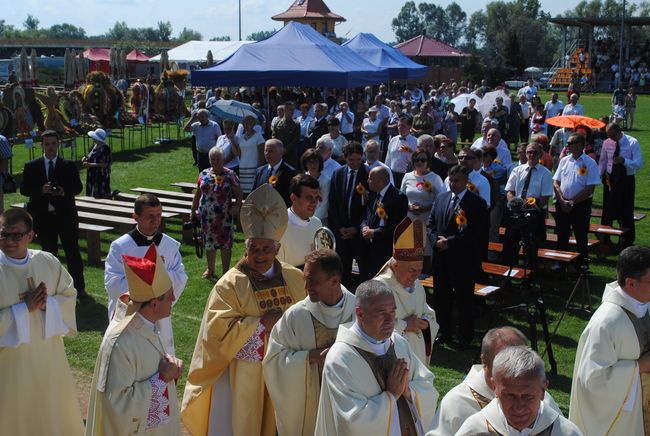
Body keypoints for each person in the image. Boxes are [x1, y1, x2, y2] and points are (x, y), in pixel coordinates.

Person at [181, 184, 305, 436]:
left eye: (266, 249)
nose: (260, 255)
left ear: (277, 249)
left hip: (284, 369)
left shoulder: (295, 278)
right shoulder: (229, 284)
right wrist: (260, 325)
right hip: (243, 375)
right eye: (254, 249)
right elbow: (216, 332)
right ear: (245, 248)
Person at [314, 280, 438, 435]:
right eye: (381, 313)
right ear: (360, 313)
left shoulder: (398, 342)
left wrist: (408, 391)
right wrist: (391, 396)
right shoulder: (341, 358)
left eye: (393, 312)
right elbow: (351, 421)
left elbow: (428, 385)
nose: (390, 320)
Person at [0, 208, 84, 435]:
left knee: (50, 413)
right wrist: (23, 309)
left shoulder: (47, 261)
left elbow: (69, 295)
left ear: (30, 235)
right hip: (9, 364)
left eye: (16, 235)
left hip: (47, 356)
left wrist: (49, 304)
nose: (9, 241)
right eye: (4, 234)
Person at [86, 244, 182, 435]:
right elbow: (117, 404)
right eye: (170, 296)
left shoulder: (146, 323)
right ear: (154, 303)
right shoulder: (122, 342)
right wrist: (163, 378)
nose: (173, 299)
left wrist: (169, 371)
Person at [263, 249, 355, 436]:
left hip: (351, 400)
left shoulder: (358, 311)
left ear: (334, 281)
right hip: (312, 403)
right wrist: (311, 358)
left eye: (313, 281)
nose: (306, 286)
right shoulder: (296, 316)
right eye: (305, 279)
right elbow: (273, 360)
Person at [570, 246, 650, 434]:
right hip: (623, 419)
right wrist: (640, 367)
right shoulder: (606, 322)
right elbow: (592, 382)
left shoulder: (643, 304)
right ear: (630, 283)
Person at [431, 326, 560, 435]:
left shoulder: (541, 399)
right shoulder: (456, 403)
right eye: (504, 363)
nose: (515, 372)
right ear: (484, 361)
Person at [104, 193, 187, 355]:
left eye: (159, 215)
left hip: (159, 317)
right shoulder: (120, 247)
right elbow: (113, 285)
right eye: (150, 216)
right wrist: (149, 274)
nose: (156, 221)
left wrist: (158, 273)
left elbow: (180, 278)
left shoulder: (169, 246)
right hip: (130, 318)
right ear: (136, 217)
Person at [20, 129, 88, 300]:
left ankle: (79, 288)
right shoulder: (32, 166)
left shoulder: (68, 165)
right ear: (41, 145)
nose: (50, 147)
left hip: (66, 216)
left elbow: (78, 188)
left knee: (72, 252)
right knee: (49, 254)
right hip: (44, 218)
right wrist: (40, 190)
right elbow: (24, 189)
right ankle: (50, 289)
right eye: (47, 144)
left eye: (53, 144)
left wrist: (64, 191)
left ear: (58, 145)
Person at [458, 346, 581, 435]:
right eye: (510, 396)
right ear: (495, 387)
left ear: (543, 390)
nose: (519, 407)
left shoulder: (566, 433)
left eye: (528, 397)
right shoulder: (474, 430)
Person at [428, 165, 488, 346]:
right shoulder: (441, 198)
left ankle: (464, 336)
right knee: (441, 297)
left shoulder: (476, 203)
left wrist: (450, 242)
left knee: (463, 299)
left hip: (463, 259)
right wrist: (435, 240)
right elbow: (431, 223)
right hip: (441, 257)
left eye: (457, 181)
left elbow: (476, 233)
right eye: (451, 180)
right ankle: (444, 332)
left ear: (466, 181)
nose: (453, 184)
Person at [374, 217, 438, 364]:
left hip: (416, 360)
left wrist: (426, 322)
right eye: (411, 270)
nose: (416, 275)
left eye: (419, 270)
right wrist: (404, 325)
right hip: (393, 366)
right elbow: (370, 327)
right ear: (395, 266)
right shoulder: (379, 290)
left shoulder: (418, 287)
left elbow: (429, 314)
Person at [191, 147, 243, 279]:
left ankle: (226, 271)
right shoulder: (203, 174)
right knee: (209, 242)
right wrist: (193, 210)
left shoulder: (230, 175)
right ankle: (210, 269)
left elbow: (239, 193)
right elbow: (197, 194)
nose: (215, 161)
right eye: (212, 159)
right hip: (206, 216)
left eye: (218, 159)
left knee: (225, 244)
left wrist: (237, 206)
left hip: (224, 215)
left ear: (223, 160)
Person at [502, 142, 553, 267]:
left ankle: (530, 275)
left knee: (531, 247)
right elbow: (509, 191)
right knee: (509, 244)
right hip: (516, 210)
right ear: (525, 153)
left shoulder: (545, 173)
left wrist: (533, 208)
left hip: (534, 213)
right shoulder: (517, 170)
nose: (531, 155)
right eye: (529, 152)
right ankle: (506, 274)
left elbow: (545, 197)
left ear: (540, 154)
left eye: (535, 152)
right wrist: (514, 203)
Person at [553, 133, 600, 268]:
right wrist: (562, 200)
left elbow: (590, 188)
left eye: (570, 143)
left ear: (580, 145)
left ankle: (581, 265)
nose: (567, 145)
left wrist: (571, 202)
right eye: (567, 143)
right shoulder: (564, 160)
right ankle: (560, 263)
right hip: (562, 204)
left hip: (581, 205)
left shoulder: (590, 163)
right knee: (562, 235)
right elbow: (556, 181)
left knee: (581, 236)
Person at [361, 166, 409, 281]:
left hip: (385, 251)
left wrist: (374, 233)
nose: (368, 181)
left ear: (380, 180)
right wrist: (364, 227)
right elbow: (366, 216)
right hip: (369, 249)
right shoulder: (374, 194)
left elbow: (397, 227)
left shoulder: (398, 197)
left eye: (370, 179)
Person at [599, 122, 642, 247]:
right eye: (608, 136)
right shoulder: (607, 143)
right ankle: (605, 237)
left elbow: (638, 163)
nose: (610, 139)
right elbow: (602, 161)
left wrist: (624, 161)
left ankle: (627, 240)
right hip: (610, 180)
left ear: (618, 131)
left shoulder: (632, 142)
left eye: (612, 136)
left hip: (626, 181)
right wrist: (596, 178)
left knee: (626, 210)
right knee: (607, 209)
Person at [277, 174, 322, 268]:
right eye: (309, 197)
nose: (314, 203)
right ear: (294, 198)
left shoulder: (317, 223)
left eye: (316, 198)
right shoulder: (279, 227)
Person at [401, 150, 444, 228]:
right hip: (410, 219)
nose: (419, 162)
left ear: (428, 162)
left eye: (423, 160)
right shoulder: (407, 176)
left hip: (427, 219)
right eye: (416, 160)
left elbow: (441, 200)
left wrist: (425, 208)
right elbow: (402, 198)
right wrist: (409, 207)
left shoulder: (435, 178)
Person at [253, 139, 297, 207]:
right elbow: (254, 194)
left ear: (281, 153)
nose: (267, 154)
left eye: (271, 151)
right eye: (266, 151)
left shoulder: (291, 173)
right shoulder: (259, 171)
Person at [385, 116, 417, 188]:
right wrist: (387, 172)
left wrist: (410, 151)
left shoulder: (415, 141)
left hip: (407, 175)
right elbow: (388, 158)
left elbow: (417, 159)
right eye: (398, 126)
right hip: (392, 175)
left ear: (409, 127)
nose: (400, 128)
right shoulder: (393, 140)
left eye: (403, 126)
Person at [238, 115, 265, 194]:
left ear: (253, 124)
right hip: (243, 168)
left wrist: (259, 169)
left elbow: (261, 155)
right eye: (244, 123)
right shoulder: (241, 137)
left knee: (253, 191)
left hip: (254, 167)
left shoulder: (258, 136)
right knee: (243, 192)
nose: (246, 125)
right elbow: (239, 154)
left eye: (248, 123)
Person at [81, 128, 112, 198]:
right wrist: (84, 159)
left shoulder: (106, 149)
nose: (93, 138)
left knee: (100, 196)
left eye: (94, 137)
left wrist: (90, 165)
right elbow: (90, 157)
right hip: (91, 175)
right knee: (91, 196)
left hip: (100, 176)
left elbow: (105, 164)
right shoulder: (93, 146)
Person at [302, 149, 330, 223]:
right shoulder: (301, 180)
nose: (313, 165)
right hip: (303, 217)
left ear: (320, 163)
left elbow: (325, 204)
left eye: (315, 162)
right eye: (310, 162)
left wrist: (312, 219)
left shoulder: (326, 181)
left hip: (320, 219)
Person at [272, 101, 301, 167]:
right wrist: (279, 148)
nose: (292, 111)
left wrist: (286, 149)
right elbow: (274, 136)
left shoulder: (296, 124)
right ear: (285, 110)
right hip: (279, 153)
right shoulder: (277, 123)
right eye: (290, 109)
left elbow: (296, 139)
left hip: (291, 155)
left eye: (293, 109)